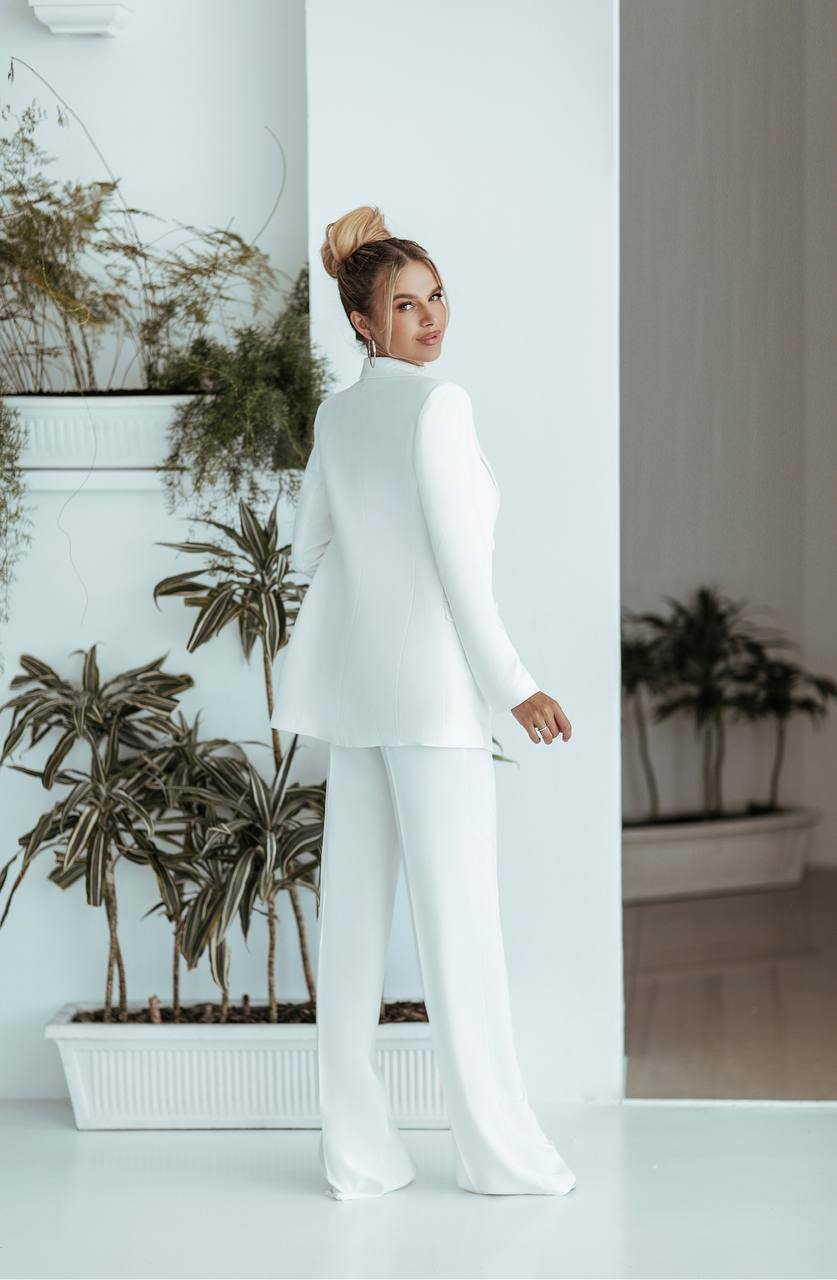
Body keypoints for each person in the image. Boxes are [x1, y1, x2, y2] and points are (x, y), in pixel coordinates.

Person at [270, 204, 576, 1199]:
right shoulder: (438, 407)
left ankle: (357, 1157)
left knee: (352, 928)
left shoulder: (337, 414)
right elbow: (457, 569)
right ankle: (498, 1154)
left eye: (437, 296)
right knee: (462, 930)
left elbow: (304, 543)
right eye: (407, 304)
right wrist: (515, 684)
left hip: (357, 693)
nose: (432, 317)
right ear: (364, 319)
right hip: (438, 698)